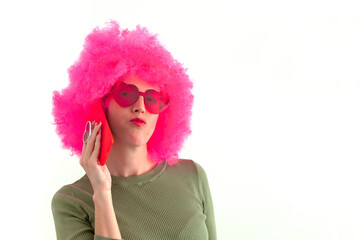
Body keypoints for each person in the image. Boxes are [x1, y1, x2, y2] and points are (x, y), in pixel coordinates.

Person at [51, 20, 217, 240]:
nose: (140, 107)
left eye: (152, 99)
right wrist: (102, 194)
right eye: (126, 94)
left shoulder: (192, 177)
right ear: (101, 103)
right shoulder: (73, 201)